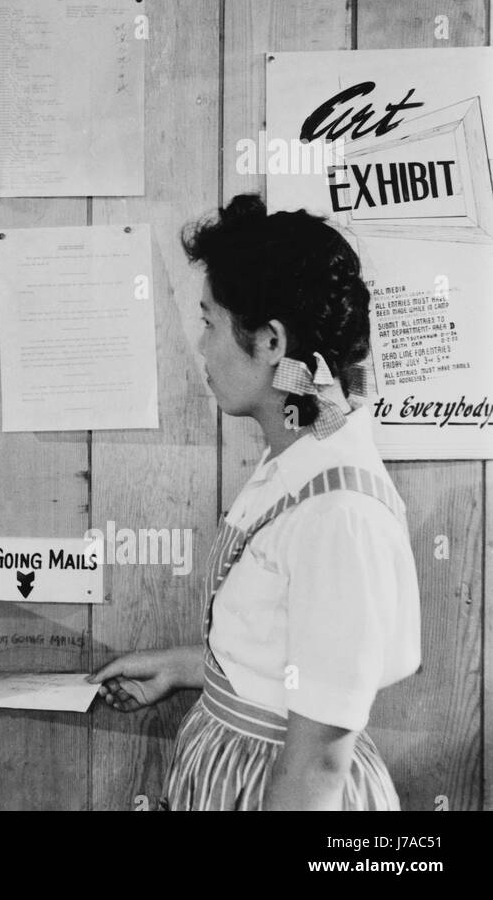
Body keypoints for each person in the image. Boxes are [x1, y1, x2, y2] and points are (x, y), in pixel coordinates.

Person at [87, 194, 421, 810]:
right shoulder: (297, 456)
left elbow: (319, 761)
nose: (202, 346)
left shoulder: (339, 516)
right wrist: (189, 668)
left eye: (210, 322)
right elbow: (287, 649)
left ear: (271, 342)